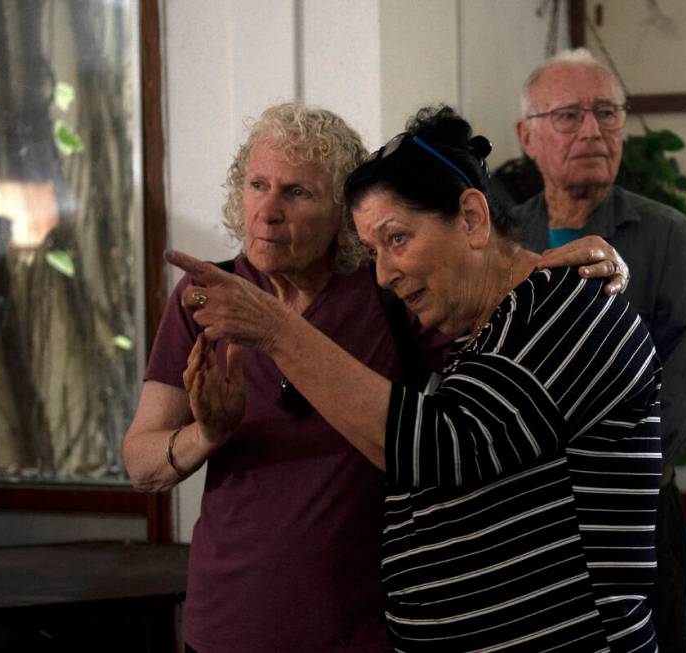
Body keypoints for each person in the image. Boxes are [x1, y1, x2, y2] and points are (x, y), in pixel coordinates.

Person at [123, 102, 628, 653]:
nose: (267, 212)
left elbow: (485, 337)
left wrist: (552, 262)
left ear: (341, 216)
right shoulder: (204, 297)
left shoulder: (391, 290)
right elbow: (142, 464)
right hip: (228, 622)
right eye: (257, 184)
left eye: (297, 193)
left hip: (357, 626)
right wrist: (208, 434)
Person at [514, 48, 686, 653]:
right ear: (527, 136)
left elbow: (682, 391)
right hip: (522, 519)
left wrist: (602, 479)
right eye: (570, 115)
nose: (594, 130)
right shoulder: (499, 239)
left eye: (608, 112)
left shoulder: (667, 234)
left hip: (637, 516)